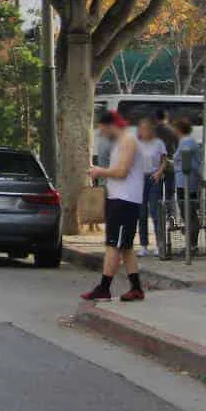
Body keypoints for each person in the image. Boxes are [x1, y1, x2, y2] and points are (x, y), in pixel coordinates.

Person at [83, 110, 150, 302]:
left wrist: (99, 171)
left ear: (111, 125)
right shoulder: (120, 143)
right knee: (125, 247)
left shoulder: (128, 141)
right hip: (119, 198)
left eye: (103, 129)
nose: (102, 133)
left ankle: (104, 288)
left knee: (114, 244)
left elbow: (121, 171)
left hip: (125, 200)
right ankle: (136, 288)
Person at [134, 116, 168, 256]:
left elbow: (164, 161)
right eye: (140, 128)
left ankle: (160, 244)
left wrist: (159, 173)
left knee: (155, 212)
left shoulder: (159, 143)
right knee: (141, 213)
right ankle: (143, 245)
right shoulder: (136, 143)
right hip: (140, 179)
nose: (142, 131)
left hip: (153, 178)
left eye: (145, 128)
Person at [172, 117, 204, 252]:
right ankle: (191, 244)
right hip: (184, 180)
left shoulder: (186, 142)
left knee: (188, 213)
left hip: (186, 181)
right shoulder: (186, 142)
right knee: (188, 213)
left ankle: (192, 245)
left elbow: (186, 161)